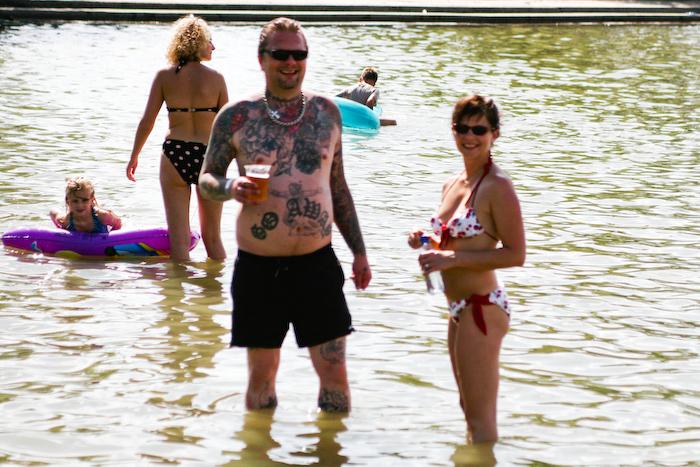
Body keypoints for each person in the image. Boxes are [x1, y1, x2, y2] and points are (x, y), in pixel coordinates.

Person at [199, 17, 372, 413]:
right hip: (259, 268)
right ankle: (260, 444)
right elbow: (207, 178)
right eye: (281, 54)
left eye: (299, 54)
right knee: (261, 379)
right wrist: (231, 187)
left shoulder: (327, 113)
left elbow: (338, 187)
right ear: (262, 59)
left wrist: (360, 253)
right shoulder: (236, 116)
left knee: (335, 377)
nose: (290, 62)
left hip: (317, 264)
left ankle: (331, 445)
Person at [407, 95, 526, 443]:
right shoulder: (453, 183)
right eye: (462, 128)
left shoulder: (498, 186)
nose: (469, 136)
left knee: (480, 420)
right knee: (467, 408)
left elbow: (516, 254)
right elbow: (454, 239)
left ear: (495, 134)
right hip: (457, 308)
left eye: (479, 130)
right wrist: (424, 239)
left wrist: (453, 260)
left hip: (482, 307)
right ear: (453, 130)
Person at [126, 14, 228, 262]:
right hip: (208, 156)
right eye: (209, 41)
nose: (213, 47)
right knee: (213, 238)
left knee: (178, 240)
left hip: (174, 153)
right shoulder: (216, 78)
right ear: (197, 43)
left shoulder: (164, 76)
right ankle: (218, 286)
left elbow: (147, 120)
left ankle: (177, 288)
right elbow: (227, 127)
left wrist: (134, 156)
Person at [50, 176, 122, 233]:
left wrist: (110, 239)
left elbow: (118, 223)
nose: (80, 205)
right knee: (55, 214)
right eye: (75, 201)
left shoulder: (103, 216)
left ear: (92, 199)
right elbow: (54, 216)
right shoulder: (66, 221)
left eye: (85, 200)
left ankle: (99, 204)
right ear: (68, 201)